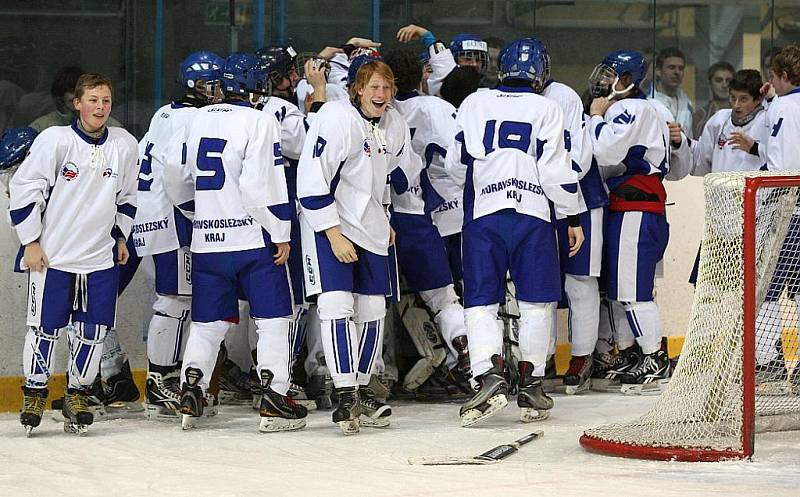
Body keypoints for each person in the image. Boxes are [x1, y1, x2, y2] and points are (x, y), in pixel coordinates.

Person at [445, 38, 583, 427]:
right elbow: (558, 171)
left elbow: (457, 163)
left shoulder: (474, 101)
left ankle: (487, 375)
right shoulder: (548, 107)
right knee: (537, 303)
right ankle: (531, 381)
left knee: (480, 301)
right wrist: (572, 217)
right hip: (533, 216)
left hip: (483, 215)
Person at [164, 52, 304, 432]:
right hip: (252, 242)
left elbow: (174, 174)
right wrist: (280, 233)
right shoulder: (259, 121)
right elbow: (264, 183)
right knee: (275, 320)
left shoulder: (197, 119)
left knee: (208, 323)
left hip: (207, 243)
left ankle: (191, 388)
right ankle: (275, 398)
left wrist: (200, 212)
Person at [10, 73, 139, 435]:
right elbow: (24, 190)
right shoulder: (55, 140)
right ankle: (35, 391)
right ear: (77, 103)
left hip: (99, 258)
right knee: (44, 329)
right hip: (54, 257)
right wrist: (31, 241)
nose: (100, 107)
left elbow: (128, 197)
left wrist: (119, 238)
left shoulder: (125, 145)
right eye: (93, 100)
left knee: (92, 332)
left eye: (106, 101)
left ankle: (78, 393)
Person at [297, 58, 412, 435]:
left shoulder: (393, 123)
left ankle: (362, 388)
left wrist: (386, 217)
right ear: (358, 89)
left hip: (372, 226)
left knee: (373, 306)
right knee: (336, 304)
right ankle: (344, 392)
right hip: (330, 223)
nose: (381, 94)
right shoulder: (335, 116)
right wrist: (332, 233)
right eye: (373, 87)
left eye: (386, 87)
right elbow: (313, 180)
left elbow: (386, 178)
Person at [136, 51, 224, 419]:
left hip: (153, 214)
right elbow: (176, 173)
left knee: (177, 299)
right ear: (197, 87)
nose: (220, 90)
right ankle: (159, 381)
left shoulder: (166, 112)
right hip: (170, 219)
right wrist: (192, 213)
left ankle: (163, 377)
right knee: (174, 300)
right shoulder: (194, 117)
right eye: (213, 84)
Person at [383, 48, 471, 392]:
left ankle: (380, 374)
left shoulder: (380, 113)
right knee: (446, 297)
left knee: (380, 304)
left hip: (384, 217)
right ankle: (468, 359)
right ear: (422, 72)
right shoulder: (437, 108)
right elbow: (461, 159)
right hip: (430, 216)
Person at [587, 50, 671, 394]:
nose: (605, 82)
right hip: (638, 207)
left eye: (612, 76)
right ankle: (641, 352)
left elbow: (606, 152)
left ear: (628, 80)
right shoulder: (649, 109)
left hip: (637, 208)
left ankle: (654, 358)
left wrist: (594, 117)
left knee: (633, 292)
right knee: (624, 290)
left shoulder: (629, 108)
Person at [29, 66, 123, 132]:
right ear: (60, 94)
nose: (76, 96)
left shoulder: (113, 127)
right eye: (71, 91)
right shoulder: (42, 126)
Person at [651, 47, 695, 139]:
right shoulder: (648, 102)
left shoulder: (687, 104)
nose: (677, 72)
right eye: (671, 67)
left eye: (681, 68)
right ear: (658, 71)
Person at [692, 61, 735, 138]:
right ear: (710, 84)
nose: (724, 85)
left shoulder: (743, 113)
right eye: (718, 80)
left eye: (728, 81)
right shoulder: (700, 116)